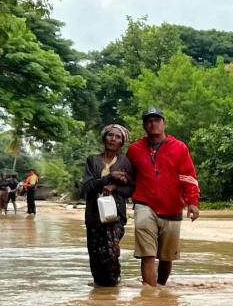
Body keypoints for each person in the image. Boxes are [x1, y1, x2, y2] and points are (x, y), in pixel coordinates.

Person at [125, 108, 200, 286]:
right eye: (149, 121)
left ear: (164, 123)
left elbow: (188, 176)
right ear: (144, 126)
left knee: (167, 257)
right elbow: (127, 174)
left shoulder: (179, 147)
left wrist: (193, 202)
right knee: (148, 253)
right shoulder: (134, 149)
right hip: (144, 204)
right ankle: (151, 295)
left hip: (172, 206)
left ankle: (160, 288)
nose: (153, 124)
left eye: (156, 120)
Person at [81, 125, 136, 286]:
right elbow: (88, 187)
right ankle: (101, 293)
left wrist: (116, 187)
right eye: (110, 135)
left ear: (122, 142)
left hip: (115, 215)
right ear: (104, 138)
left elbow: (131, 189)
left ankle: (114, 284)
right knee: (96, 255)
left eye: (118, 137)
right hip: (93, 215)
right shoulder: (93, 160)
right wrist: (108, 178)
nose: (113, 139)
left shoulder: (125, 162)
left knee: (111, 252)